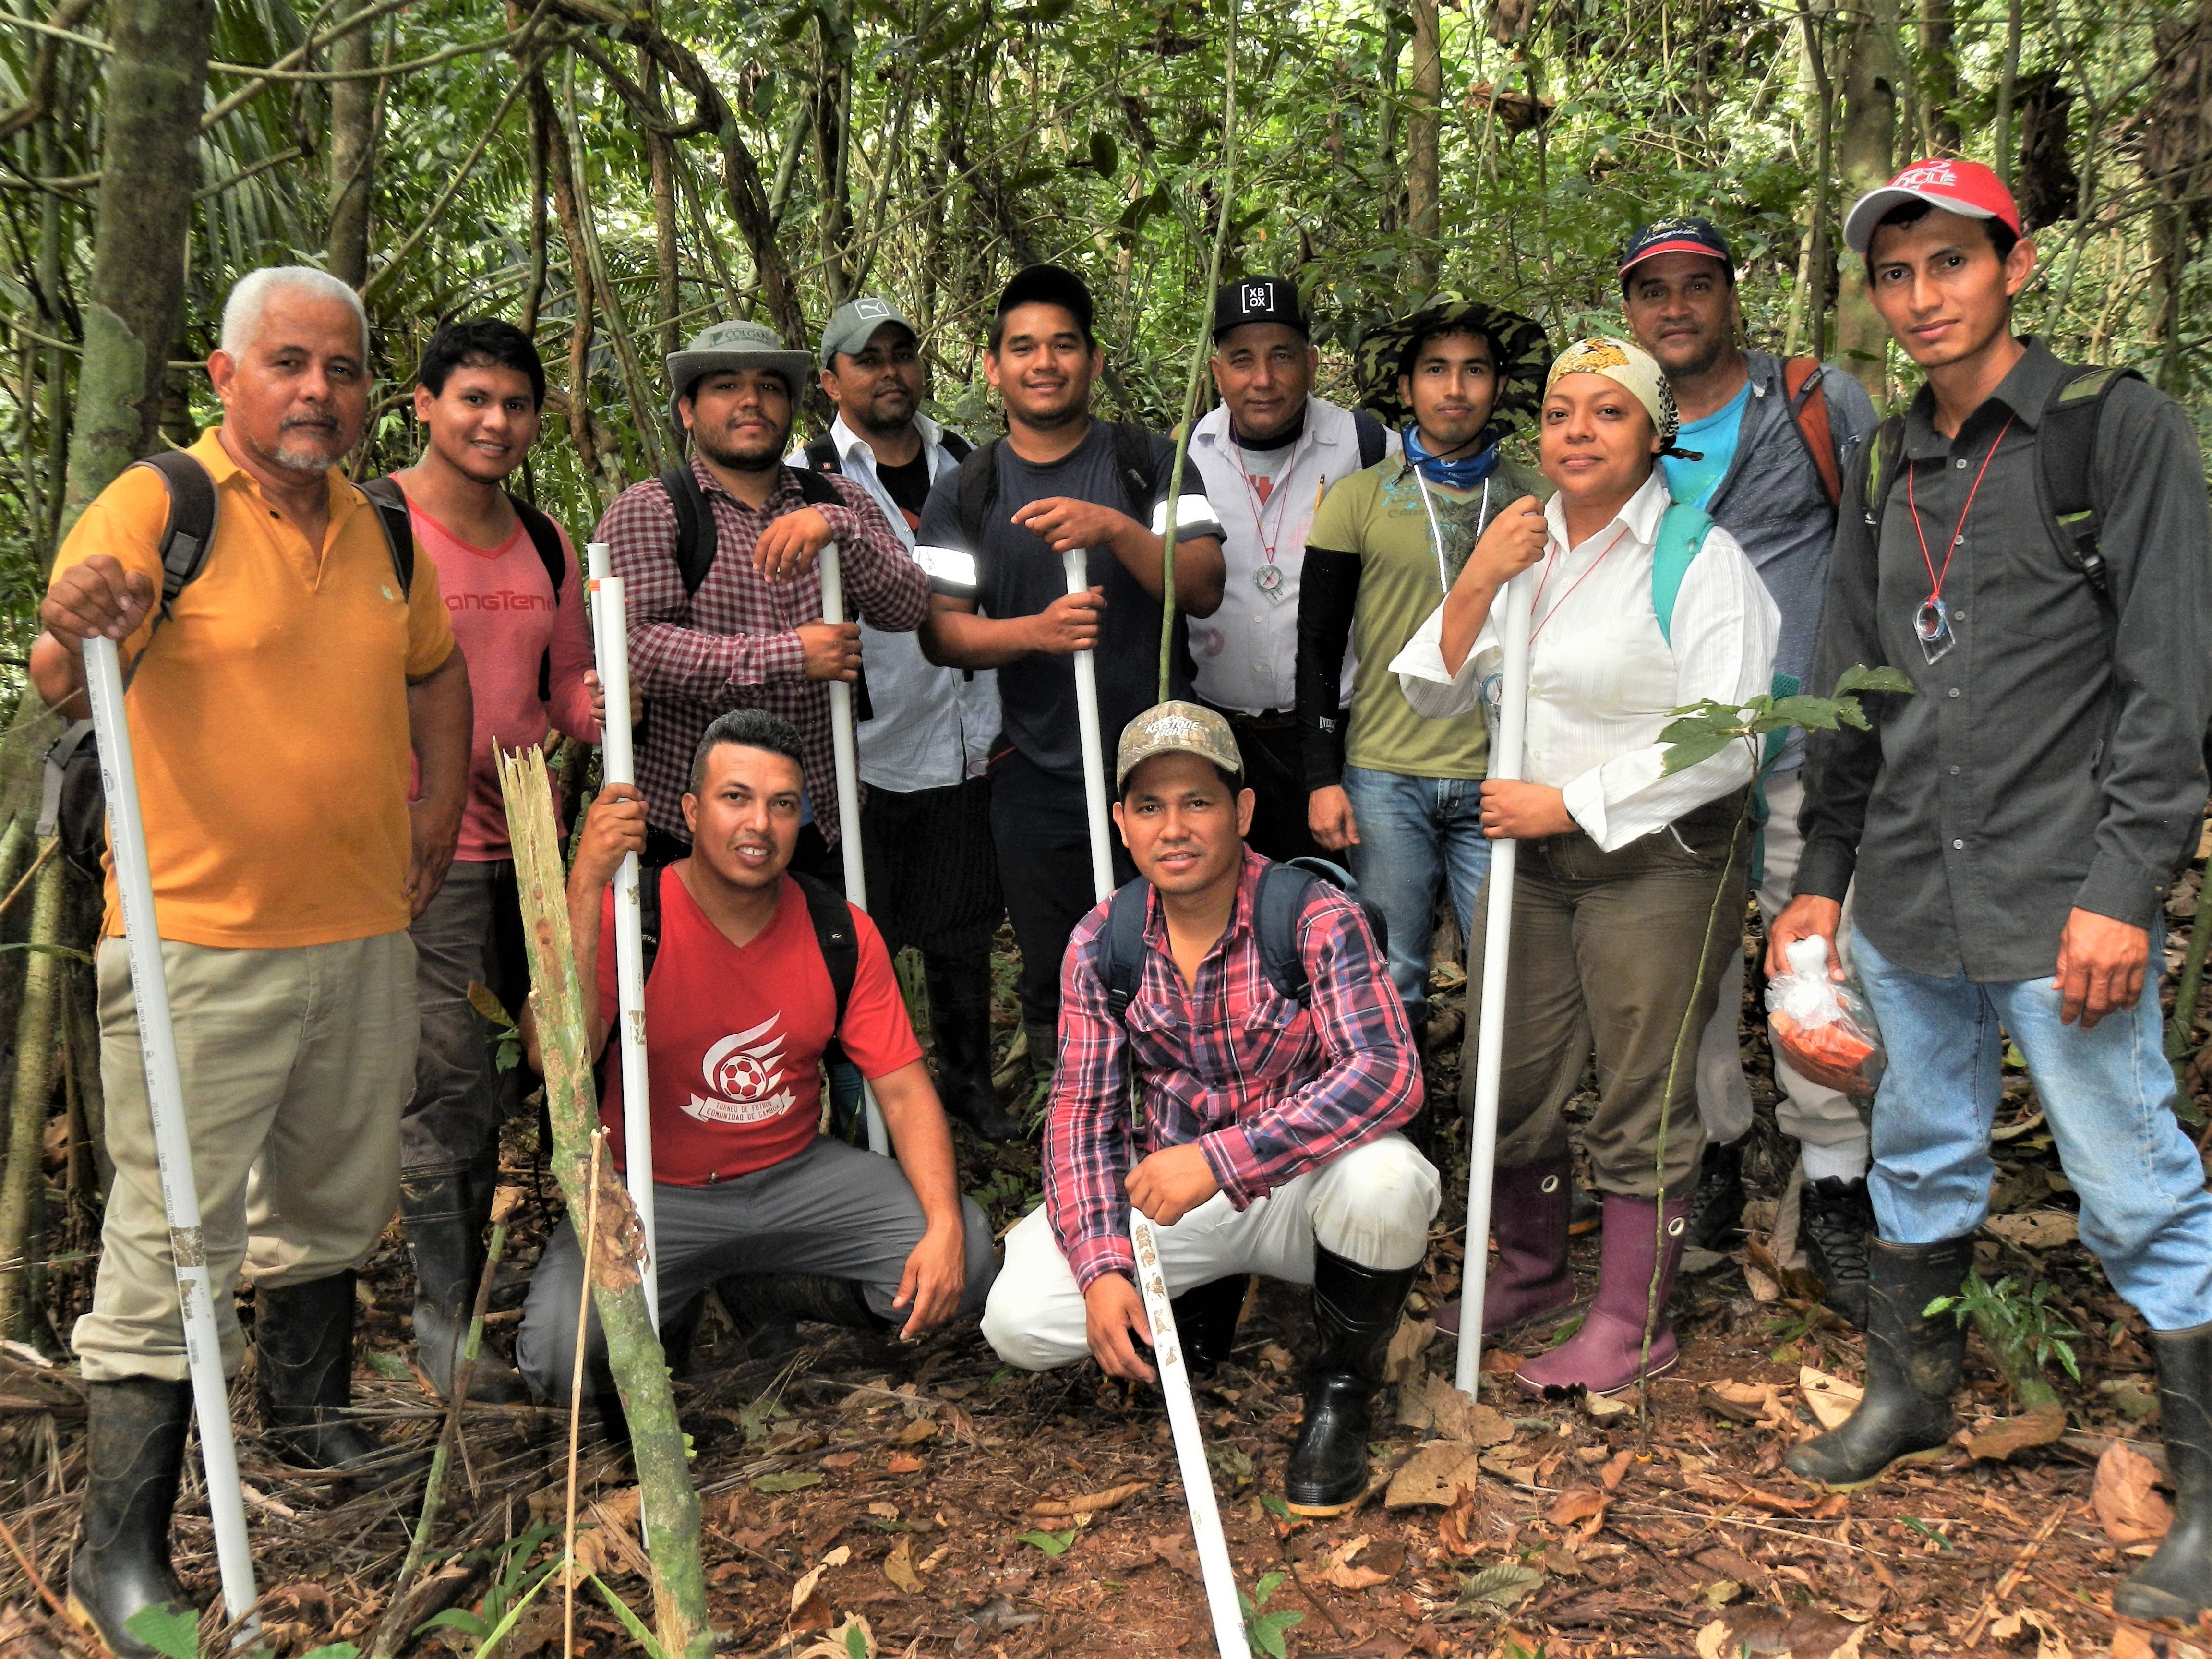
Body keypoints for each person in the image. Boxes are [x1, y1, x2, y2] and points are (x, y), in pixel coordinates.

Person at [1773, 161, 2212, 1623]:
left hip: (2059, 892)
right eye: (1895, 276)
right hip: (1906, 883)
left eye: (1948, 264)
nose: (1920, 299)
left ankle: (2205, 1494)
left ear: (2011, 265)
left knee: (2133, 1180)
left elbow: (2169, 675)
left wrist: (2129, 884)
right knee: (1921, 1145)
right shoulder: (1893, 457)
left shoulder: (2111, 430)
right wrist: (1821, 881)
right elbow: (1845, 677)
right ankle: (1913, 1393)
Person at [36, 267, 471, 1655]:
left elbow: (437, 670)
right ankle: (123, 1552)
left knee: (336, 1198)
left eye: (341, 369)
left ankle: (310, 1418)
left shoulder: (380, 528)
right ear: (224, 378)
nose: (317, 393)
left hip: (356, 929)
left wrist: (431, 816)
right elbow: (65, 659)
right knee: (172, 1241)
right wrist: (86, 612)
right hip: (195, 946)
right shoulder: (168, 503)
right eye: (287, 364)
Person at [1393, 337, 1779, 1395]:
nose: (1579, 432)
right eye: (1562, 412)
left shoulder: (1702, 559)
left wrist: (1571, 800)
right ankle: (1528, 1270)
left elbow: (1736, 734)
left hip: (1660, 860)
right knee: (1509, 1069)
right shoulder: (1526, 545)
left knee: (1641, 1086)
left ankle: (1631, 1315)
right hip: (1531, 860)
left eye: (1609, 413)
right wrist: (1478, 576)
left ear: (1656, 437)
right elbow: (1428, 688)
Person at [981, 702, 1435, 1516]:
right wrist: (1100, 1269)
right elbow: (1080, 1118)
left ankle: (1340, 1389)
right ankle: (1196, 1296)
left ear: (1243, 811)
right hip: (1179, 1194)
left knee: (1389, 1182)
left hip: (1300, 1189)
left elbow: (1387, 1074)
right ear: (1122, 823)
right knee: (1018, 1319)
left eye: (1197, 801)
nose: (1174, 828)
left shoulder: (1310, 915)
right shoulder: (1101, 941)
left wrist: (1223, 1159)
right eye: (1149, 807)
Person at [514, 709, 997, 1396]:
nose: (759, 825)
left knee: (968, 1257)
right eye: (735, 798)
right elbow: (550, 1058)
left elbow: (904, 1088)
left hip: (794, 1175)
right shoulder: (633, 917)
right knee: (560, 1362)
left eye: (782, 805)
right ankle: (681, 1300)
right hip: (653, 1192)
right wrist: (585, 882)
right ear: (690, 809)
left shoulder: (838, 930)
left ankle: (771, 1292)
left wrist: (945, 1222)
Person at [1617, 216, 1881, 1320]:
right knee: (1691, 971)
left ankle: (1835, 1182)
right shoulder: (1625, 418)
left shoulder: (1818, 403)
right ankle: (1717, 1152)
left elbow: (1879, 550)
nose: (1674, 308)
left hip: (1802, 745)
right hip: (1677, 752)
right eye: (1651, 291)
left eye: (1695, 286)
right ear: (1628, 309)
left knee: (1813, 966)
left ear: (1733, 293)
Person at [916, 264, 1226, 1081]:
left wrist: (1114, 530)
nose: (1043, 362)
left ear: (1092, 358)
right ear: (992, 367)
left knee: (1179, 950)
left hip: (1160, 764)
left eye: (1062, 345)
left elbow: (1199, 586)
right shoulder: (965, 491)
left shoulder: (1148, 462)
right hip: (1036, 768)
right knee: (1060, 966)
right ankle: (1076, 1116)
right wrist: (1035, 632)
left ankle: (1182, 1106)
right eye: (1022, 348)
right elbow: (941, 635)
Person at [385, 319, 605, 1401]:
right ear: (422, 403)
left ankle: (514, 1279)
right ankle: (444, 1328)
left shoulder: (546, 540)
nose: (495, 422)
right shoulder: (374, 525)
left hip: (530, 844)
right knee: (447, 1082)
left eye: (516, 405)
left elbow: (559, 691)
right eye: (473, 399)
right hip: (418, 855)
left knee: (538, 1058)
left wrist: (600, 708)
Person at [1294, 296, 1551, 1055]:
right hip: (1384, 772)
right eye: (1435, 370)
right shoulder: (1359, 498)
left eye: (1476, 370)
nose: (1456, 388)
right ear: (1404, 388)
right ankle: (1403, 1133)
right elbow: (1317, 646)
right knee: (1392, 969)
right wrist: (1322, 774)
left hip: (1502, 772)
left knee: (1509, 966)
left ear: (1499, 387)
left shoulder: (1539, 497)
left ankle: (1497, 1137)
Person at [796, 297, 1016, 1142]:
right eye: (865, 359)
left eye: (899, 353)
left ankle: (967, 1080)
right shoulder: (807, 475)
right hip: (867, 754)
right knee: (865, 939)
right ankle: (875, 1110)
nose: (888, 371)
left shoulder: (966, 459)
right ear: (830, 379)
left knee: (964, 927)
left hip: (969, 734)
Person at [597, 318, 928, 872]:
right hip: (690, 827)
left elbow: (908, 607)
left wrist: (838, 528)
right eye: (726, 386)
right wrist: (793, 656)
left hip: (822, 816)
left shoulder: (839, 500)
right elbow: (636, 651)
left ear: (792, 407)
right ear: (688, 411)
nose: (751, 402)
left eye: (769, 387)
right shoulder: (651, 511)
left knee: (827, 958)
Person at [1184, 278, 1397, 862]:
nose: (1263, 380)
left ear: (1310, 361)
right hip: (1223, 740)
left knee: (1342, 912)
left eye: (1281, 356)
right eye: (1242, 360)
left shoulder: (1368, 447)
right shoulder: (1185, 456)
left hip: (1343, 738)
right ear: (1217, 370)